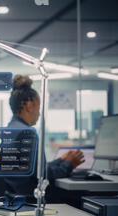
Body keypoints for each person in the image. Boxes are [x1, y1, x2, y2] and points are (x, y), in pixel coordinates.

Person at [5, 75, 85, 204]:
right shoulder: (27, 133)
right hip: (32, 197)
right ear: (29, 106)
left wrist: (61, 160)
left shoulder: (11, 129)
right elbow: (42, 176)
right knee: (83, 195)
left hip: (16, 194)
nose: (39, 113)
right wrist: (69, 164)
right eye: (38, 107)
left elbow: (34, 170)